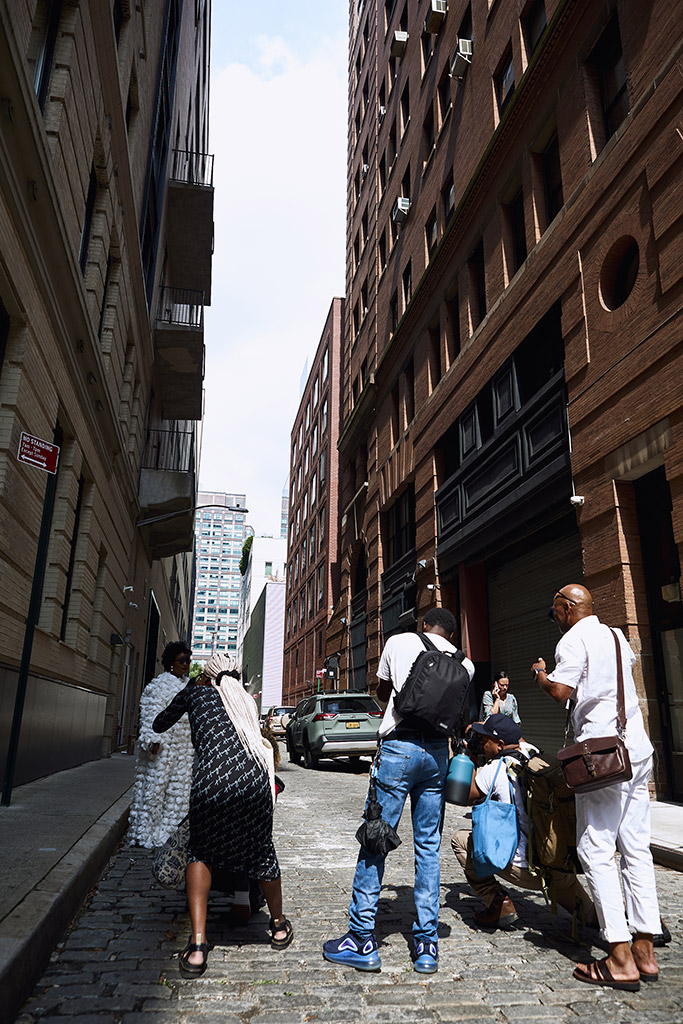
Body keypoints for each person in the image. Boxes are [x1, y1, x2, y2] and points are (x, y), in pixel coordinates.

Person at [323, 607, 475, 974]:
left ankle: (361, 939)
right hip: (438, 756)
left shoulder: (400, 641)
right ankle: (426, 946)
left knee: (377, 839)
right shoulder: (465, 664)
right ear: (451, 635)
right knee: (429, 847)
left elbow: (382, 692)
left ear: (424, 624)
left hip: (399, 749)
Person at [532, 584, 660, 991]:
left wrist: (539, 676)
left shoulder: (573, 640)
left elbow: (561, 692)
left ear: (567, 609)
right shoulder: (616, 635)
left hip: (602, 759)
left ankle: (619, 957)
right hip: (636, 750)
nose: (556, 621)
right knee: (636, 847)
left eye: (555, 613)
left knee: (596, 848)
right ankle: (645, 949)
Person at [153, 652, 293, 977]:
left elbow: (161, 722)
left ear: (209, 676)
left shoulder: (196, 692)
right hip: (254, 781)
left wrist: (192, 688)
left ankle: (199, 945)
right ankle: (279, 925)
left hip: (211, 783)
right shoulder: (246, 700)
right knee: (261, 851)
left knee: (200, 852)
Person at [451, 713, 597, 930]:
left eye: (484, 740)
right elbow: (517, 738)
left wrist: (470, 760)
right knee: (591, 915)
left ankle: (498, 902)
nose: (481, 744)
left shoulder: (494, 770)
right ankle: (642, 923)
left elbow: (466, 796)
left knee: (460, 840)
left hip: (525, 870)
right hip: (557, 865)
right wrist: (486, 726)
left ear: (500, 744)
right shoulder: (534, 753)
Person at [127, 642, 194, 849]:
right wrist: (152, 740)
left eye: (188, 660)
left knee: (179, 795)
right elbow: (150, 712)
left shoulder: (189, 686)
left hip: (183, 750)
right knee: (154, 791)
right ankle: (144, 832)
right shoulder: (158, 685)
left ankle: (169, 835)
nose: (186, 664)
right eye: (182, 660)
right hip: (162, 748)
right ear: (171, 662)